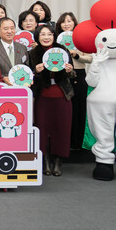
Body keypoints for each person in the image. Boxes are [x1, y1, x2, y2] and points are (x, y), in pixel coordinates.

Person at [28, 24, 75, 176]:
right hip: (42, 96)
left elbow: (73, 74)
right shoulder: (32, 53)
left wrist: (69, 71)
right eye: (42, 34)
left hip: (62, 95)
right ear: (37, 37)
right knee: (42, 128)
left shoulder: (63, 50)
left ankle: (58, 160)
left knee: (62, 128)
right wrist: (35, 71)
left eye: (49, 34)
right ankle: (46, 160)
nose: (46, 37)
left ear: (54, 36)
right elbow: (28, 77)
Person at [56, 12, 92, 150]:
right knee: (64, 110)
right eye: (63, 21)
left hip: (79, 75)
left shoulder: (82, 39)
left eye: (69, 21)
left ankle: (78, 141)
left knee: (79, 108)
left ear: (74, 23)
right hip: (62, 76)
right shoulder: (56, 40)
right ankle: (65, 141)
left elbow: (90, 58)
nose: (66, 24)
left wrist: (76, 55)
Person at [0, 17, 29, 84]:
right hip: (1, 86)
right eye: (6, 29)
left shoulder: (22, 47)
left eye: (12, 28)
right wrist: (3, 78)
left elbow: (26, 68)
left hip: (20, 86)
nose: (9, 31)